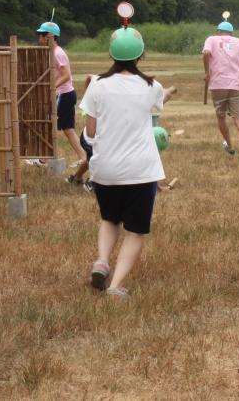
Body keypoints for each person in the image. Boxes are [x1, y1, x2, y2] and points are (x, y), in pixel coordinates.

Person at [80, 25, 171, 299]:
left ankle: (102, 261)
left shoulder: (96, 84)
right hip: (140, 170)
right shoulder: (151, 86)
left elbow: (89, 133)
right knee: (135, 231)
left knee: (109, 219)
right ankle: (115, 285)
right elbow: (157, 103)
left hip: (104, 169)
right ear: (140, 54)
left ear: (111, 52)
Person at [36, 21, 88, 182]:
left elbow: (67, 75)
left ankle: (44, 157)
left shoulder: (57, 53)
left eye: (41, 35)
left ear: (49, 37)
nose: (39, 38)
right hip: (63, 95)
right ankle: (83, 157)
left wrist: (52, 87)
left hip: (64, 95)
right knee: (66, 128)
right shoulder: (51, 52)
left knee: (51, 124)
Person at [203, 20, 239, 159]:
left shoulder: (212, 39)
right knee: (238, 117)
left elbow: (206, 53)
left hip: (218, 84)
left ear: (218, 31)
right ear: (231, 32)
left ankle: (230, 146)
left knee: (221, 116)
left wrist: (207, 73)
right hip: (236, 84)